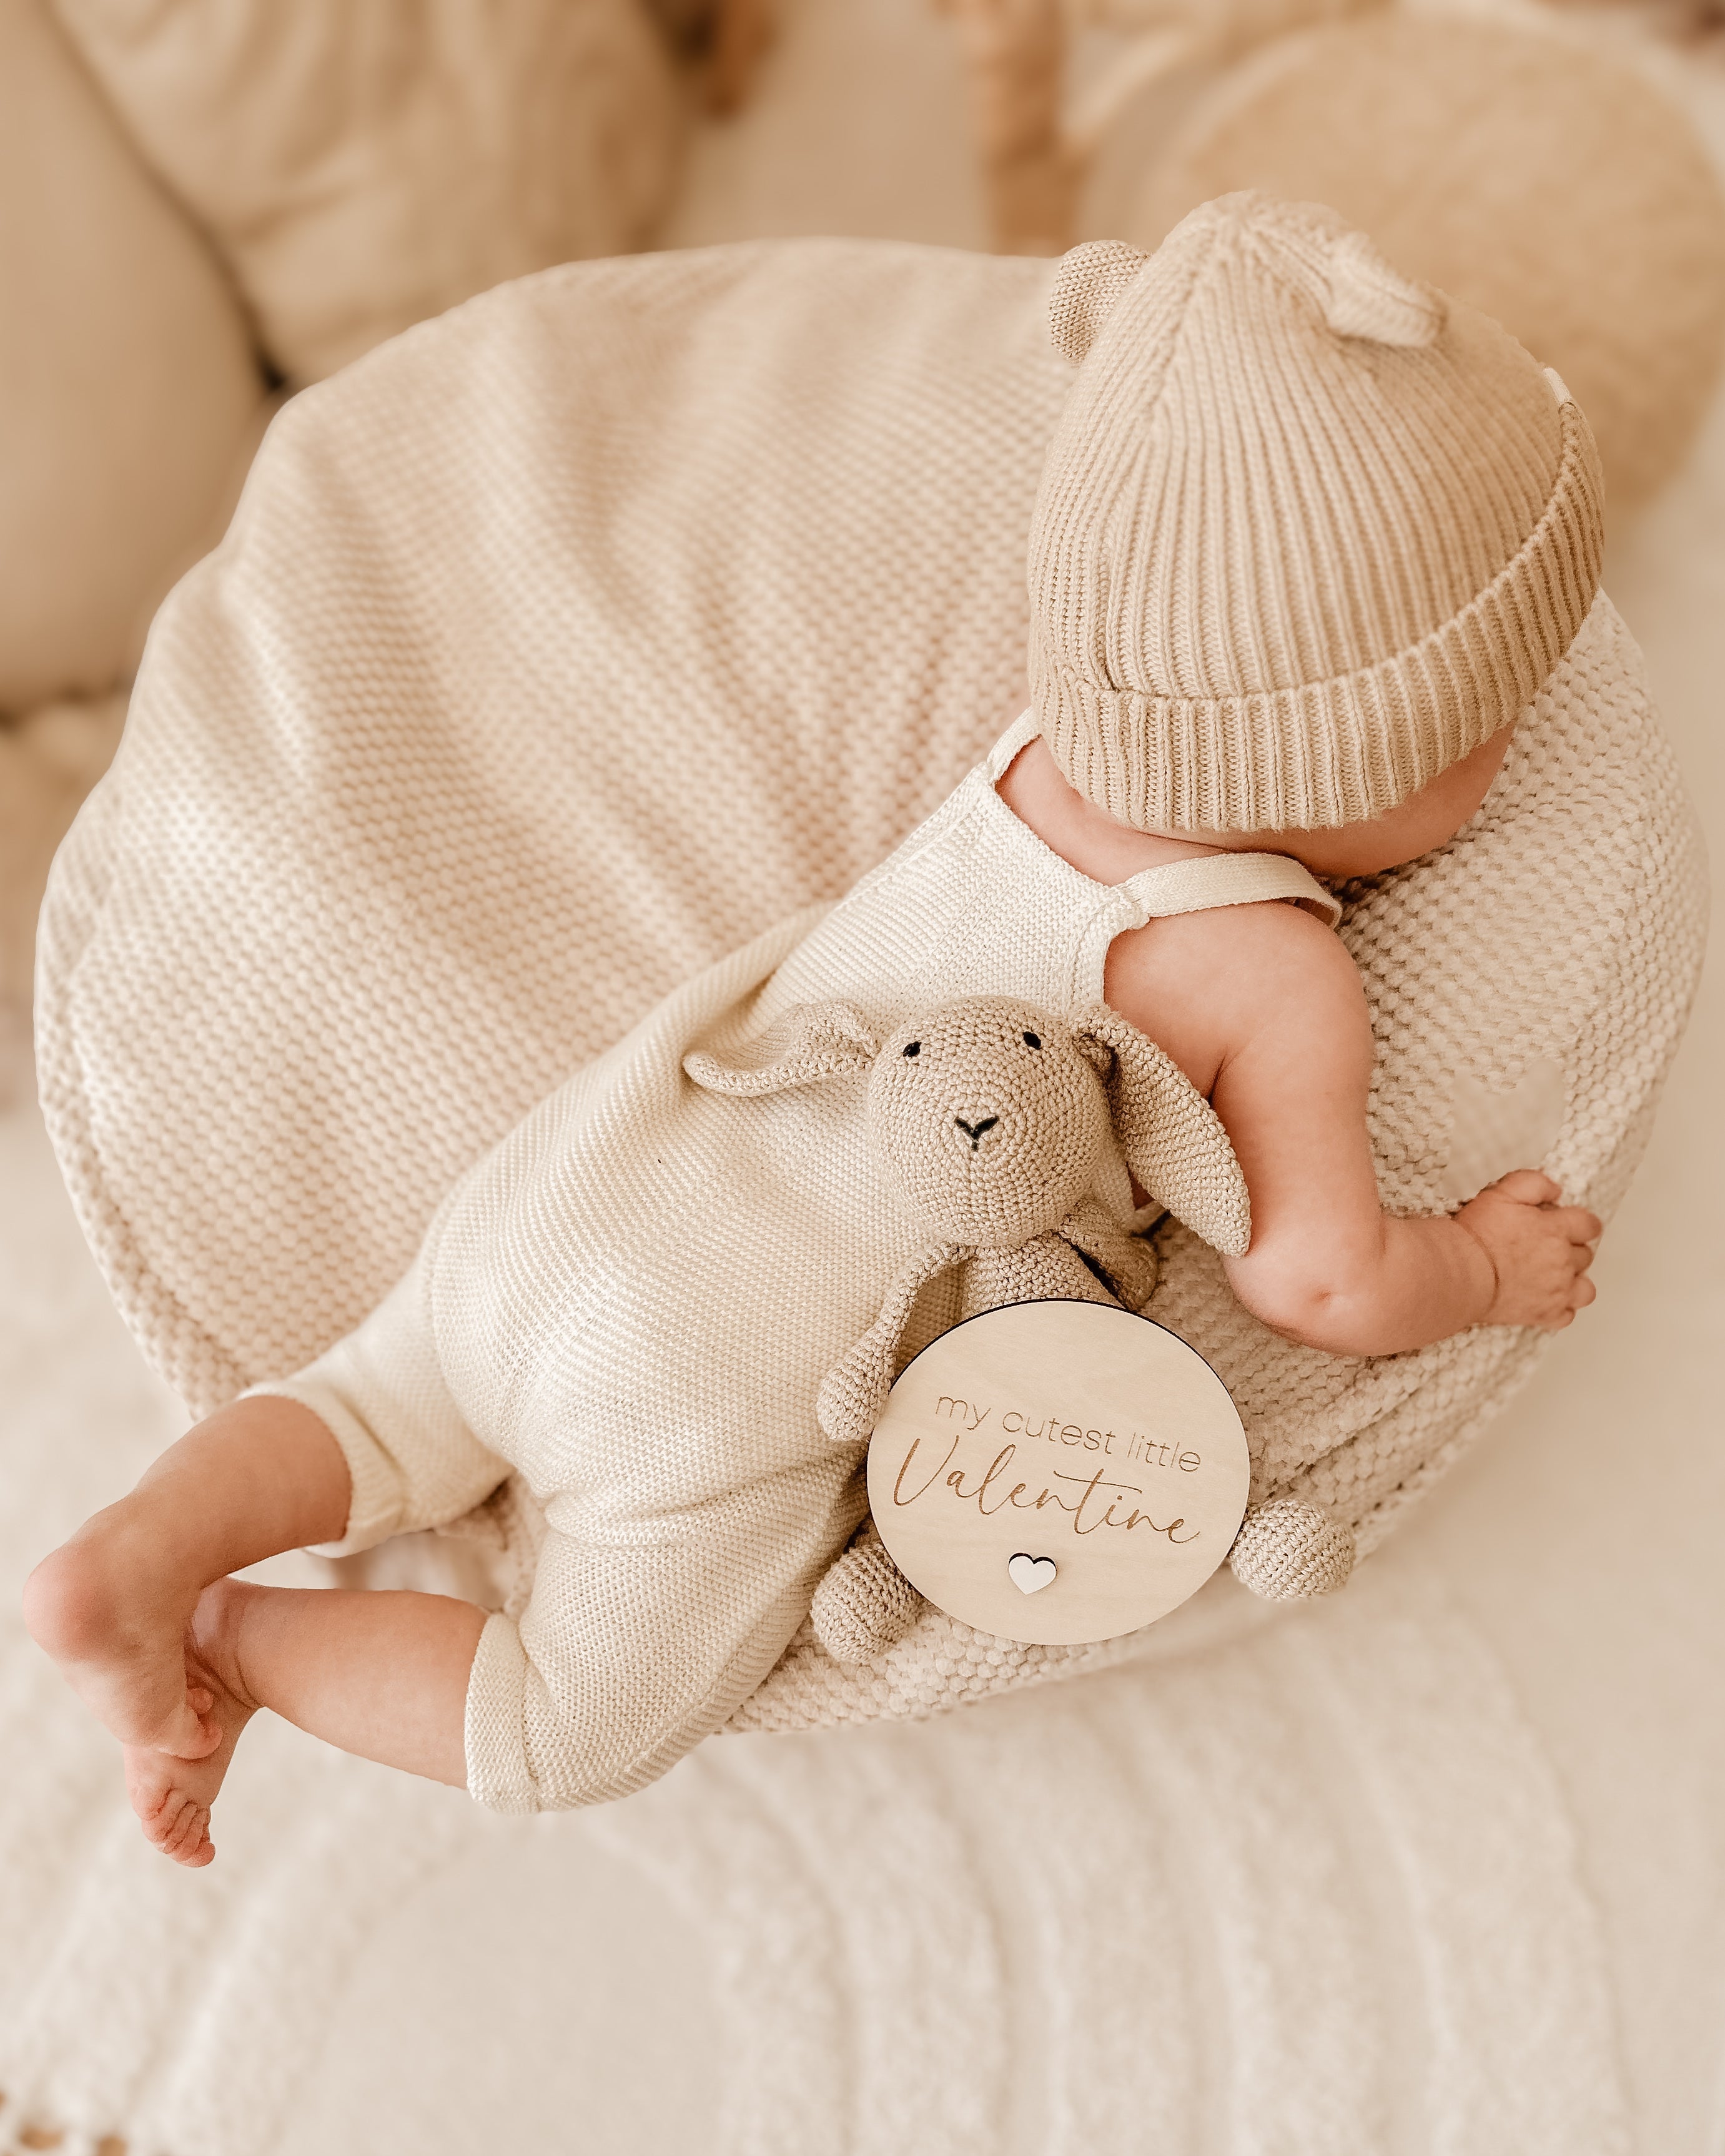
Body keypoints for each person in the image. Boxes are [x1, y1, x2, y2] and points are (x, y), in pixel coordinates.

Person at [24, 194, 1604, 1865]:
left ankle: (137, 1549)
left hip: (576, 1192)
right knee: (566, 1725)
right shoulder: (1268, 966)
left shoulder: (1036, 745)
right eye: (1489, 725)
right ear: (1375, 752)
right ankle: (228, 1649)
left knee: (361, 1411)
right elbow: (1320, 1281)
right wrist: (1483, 1270)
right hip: (712, 1390)